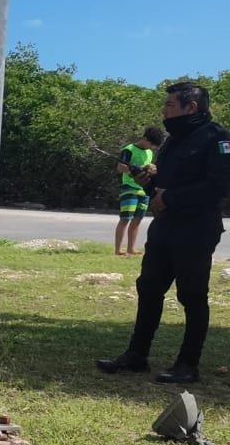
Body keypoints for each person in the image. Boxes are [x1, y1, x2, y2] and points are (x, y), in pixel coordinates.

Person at [97, 82, 230, 384]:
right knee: (149, 288)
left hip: (196, 230)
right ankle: (136, 356)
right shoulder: (173, 141)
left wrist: (170, 198)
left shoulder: (217, 138)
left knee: (192, 296)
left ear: (191, 107)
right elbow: (163, 184)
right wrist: (146, 182)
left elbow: (219, 187)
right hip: (165, 228)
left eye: (170, 104)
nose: (164, 110)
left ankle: (188, 365)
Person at [114, 125, 165, 256]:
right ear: (144, 138)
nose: (152, 147)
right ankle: (118, 249)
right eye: (151, 143)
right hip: (129, 188)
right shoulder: (129, 149)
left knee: (138, 219)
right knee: (125, 218)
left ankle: (131, 248)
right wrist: (138, 169)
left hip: (144, 189)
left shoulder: (149, 152)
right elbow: (120, 167)